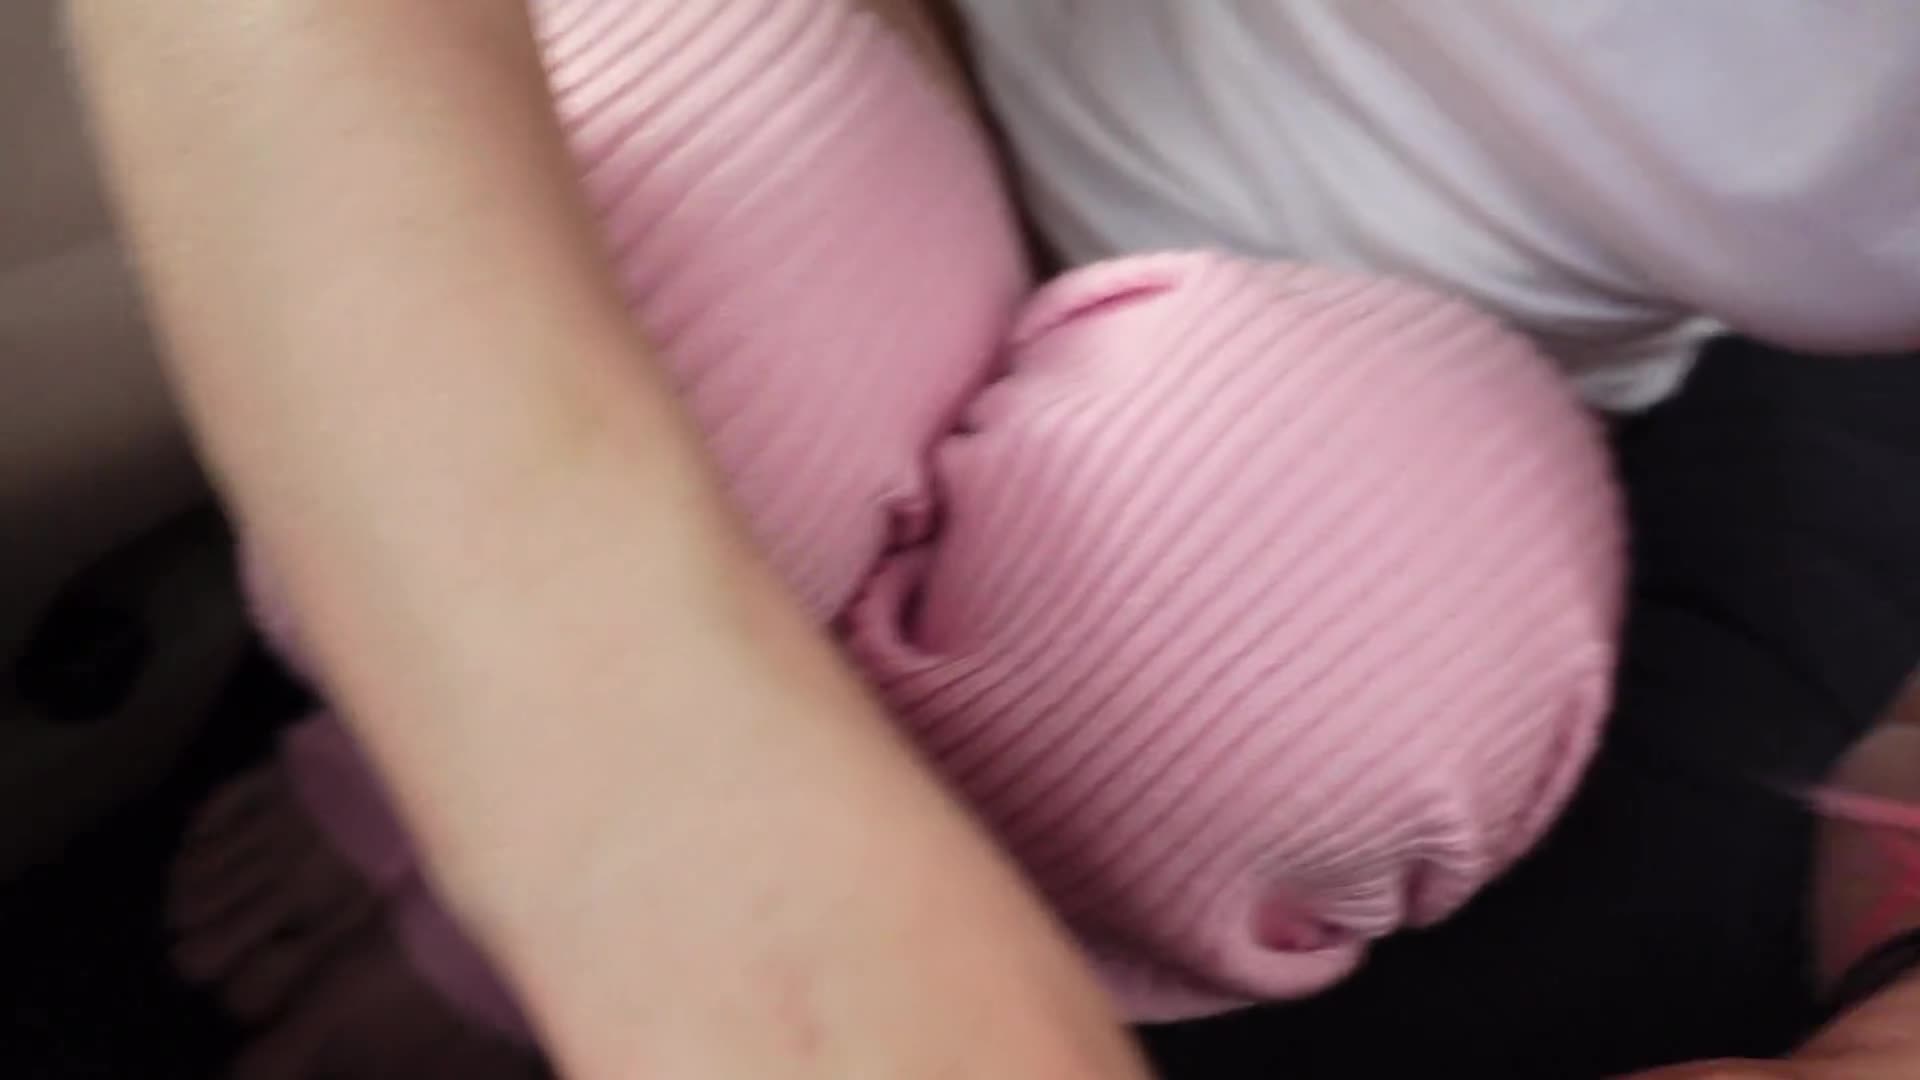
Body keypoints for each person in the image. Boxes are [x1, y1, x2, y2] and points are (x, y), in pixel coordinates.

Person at [63, 0, 1919, 1078]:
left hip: (1395, 375)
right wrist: (613, 795)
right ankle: (437, 792)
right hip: (903, 50)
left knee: (1310, 715)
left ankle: (502, 865)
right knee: (692, 266)